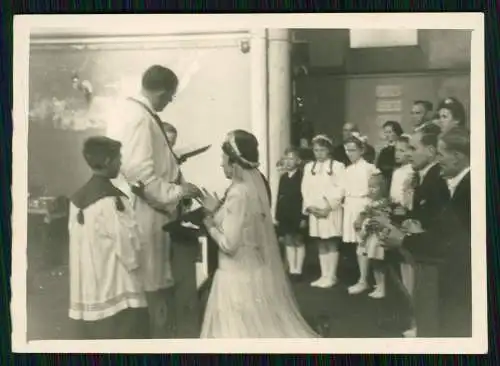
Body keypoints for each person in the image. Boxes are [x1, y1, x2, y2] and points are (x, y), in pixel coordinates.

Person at [106, 65, 201, 338]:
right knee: (152, 284)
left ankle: (155, 337)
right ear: (161, 90)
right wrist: (179, 192)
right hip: (149, 213)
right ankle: (155, 343)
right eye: (169, 96)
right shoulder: (138, 117)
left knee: (152, 283)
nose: (169, 102)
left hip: (150, 210)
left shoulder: (134, 112)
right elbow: (140, 176)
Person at [199, 130, 319, 338]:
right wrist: (217, 209)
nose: (221, 163)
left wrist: (209, 223)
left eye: (223, 158)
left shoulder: (238, 193)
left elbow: (229, 243)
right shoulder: (251, 188)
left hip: (234, 275)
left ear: (234, 162)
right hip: (252, 268)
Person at [371, 126, 471, 337]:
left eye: (413, 148)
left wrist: (405, 238)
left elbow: (450, 236)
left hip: (446, 267)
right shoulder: (449, 180)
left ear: (455, 156)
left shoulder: (462, 185)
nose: (407, 154)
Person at [68, 136, 149, 339]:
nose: (120, 163)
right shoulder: (112, 200)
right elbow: (126, 243)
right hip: (114, 285)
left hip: (89, 284)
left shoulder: (77, 199)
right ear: (106, 162)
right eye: (118, 158)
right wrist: (137, 267)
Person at [301, 135, 345, 288]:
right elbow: (305, 188)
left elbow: (340, 188)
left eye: (322, 150)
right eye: (316, 150)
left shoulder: (338, 166)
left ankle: (332, 276)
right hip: (315, 210)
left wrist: (328, 207)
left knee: (331, 241)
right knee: (320, 241)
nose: (319, 153)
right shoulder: (309, 167)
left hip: (330, 210)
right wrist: (310, 206)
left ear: (329, 150)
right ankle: (323, 274)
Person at [342, 135, 379, 295]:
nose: (349, 154)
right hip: (350, 205)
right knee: (358, 244)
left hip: (363, 206)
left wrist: (363, 214)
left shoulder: (370, 168)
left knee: (363, 243)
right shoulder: (347, 170)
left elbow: (373, 193)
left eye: (353, 150)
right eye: (347, 150)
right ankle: (362, 278)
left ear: (361, 150)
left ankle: (364, 280)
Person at [353, 172, 392, 299]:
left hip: (378, 235)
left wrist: (369, 217)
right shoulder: (371, 203)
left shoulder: (384, 203)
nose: (371, 190)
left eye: (374, 187)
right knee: (373, 260)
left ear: (382, 188)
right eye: (369, 187)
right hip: (370, 235)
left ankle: (382, 287)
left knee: (378, 261)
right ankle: (378, 285)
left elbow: (382, 219)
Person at [408, 125, 450, 230]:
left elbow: (435, 221)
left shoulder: (438, 179)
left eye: (413, 149)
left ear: (431, 151)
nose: (408, 154)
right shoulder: (425, 175)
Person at [275, 147, 308, 280]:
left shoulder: (302, 177)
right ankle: (292, 268)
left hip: (297, 213)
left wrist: (304, 216)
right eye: (286, 159)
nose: (288, 162)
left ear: (298, 160)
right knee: (288, 240)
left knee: (298, 240)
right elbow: (280, 196)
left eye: (291, 159)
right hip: (285, 214)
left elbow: (305, 196)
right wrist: (277, 215)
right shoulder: (283, 178)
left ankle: (298, 270)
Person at [376, 120, 404, 187]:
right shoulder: (384, 150)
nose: (387, 135)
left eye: (389, 132)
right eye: (385, 132)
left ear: (397, 132)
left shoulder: (402, 149)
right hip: (385, 182)